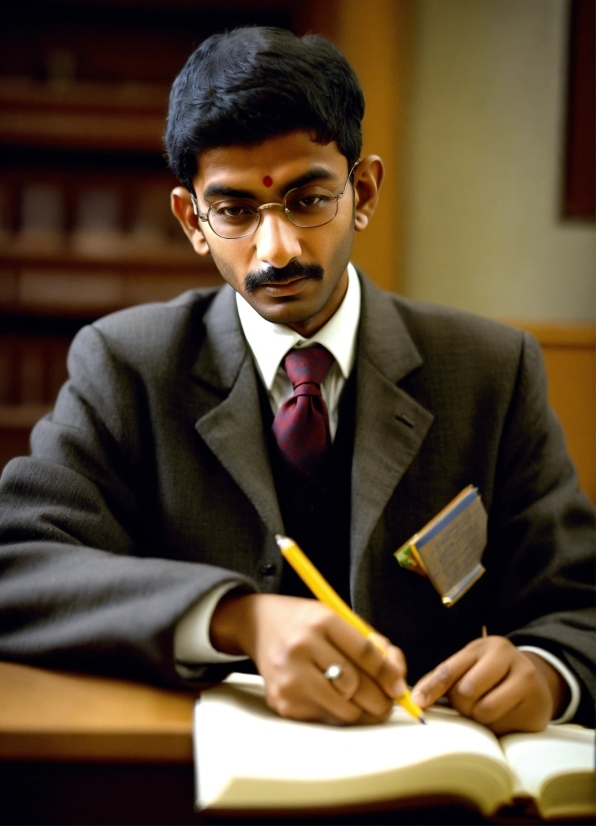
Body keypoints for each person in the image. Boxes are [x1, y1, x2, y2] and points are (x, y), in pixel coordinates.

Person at [0, 27, 594, 734]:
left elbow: (578, 607)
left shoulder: (493, 372)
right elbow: (19, 568)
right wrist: (233, 617)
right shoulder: (127, 365)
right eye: (235, 212)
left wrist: (549, 672)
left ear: (363, 191)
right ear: (192, 220)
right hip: (189, 783)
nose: (276, 250)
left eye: (308, 200)